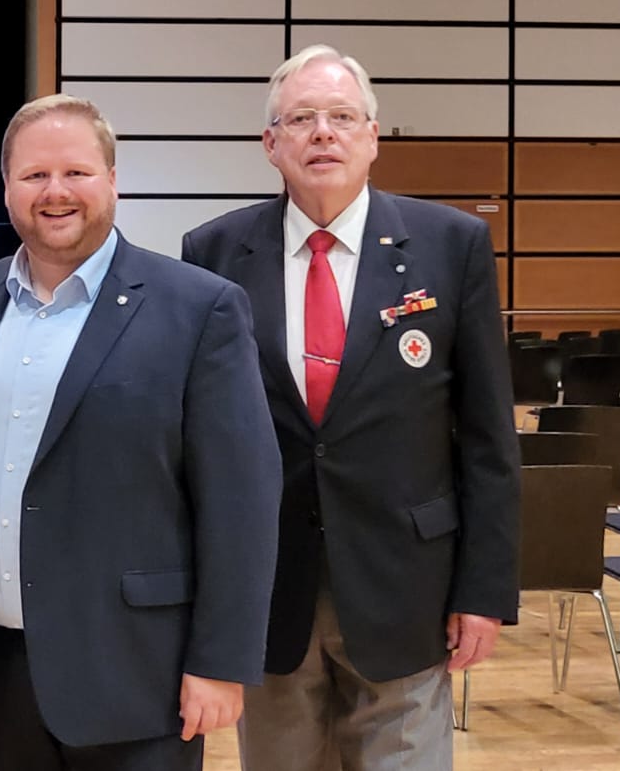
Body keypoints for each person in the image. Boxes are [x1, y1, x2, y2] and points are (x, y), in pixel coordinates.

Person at [181, 44, 520, 771]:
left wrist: (485, 591)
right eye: (300, 118)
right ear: (270, 144)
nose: (322, 133)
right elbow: (198, 445)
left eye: (342, 116)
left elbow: (488, 438)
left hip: (408, 585)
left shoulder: (452, 245)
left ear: (373, 136)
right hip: (269, 588)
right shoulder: (212, 254)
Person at [0, 94, 282, 771]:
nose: (55, 192)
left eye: (77, 173)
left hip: (139, 671)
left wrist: (221, 661)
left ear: (113, 180)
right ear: (6, 187)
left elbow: (242, 501)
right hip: (2, 668)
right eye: (34, 175)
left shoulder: (199, 308)